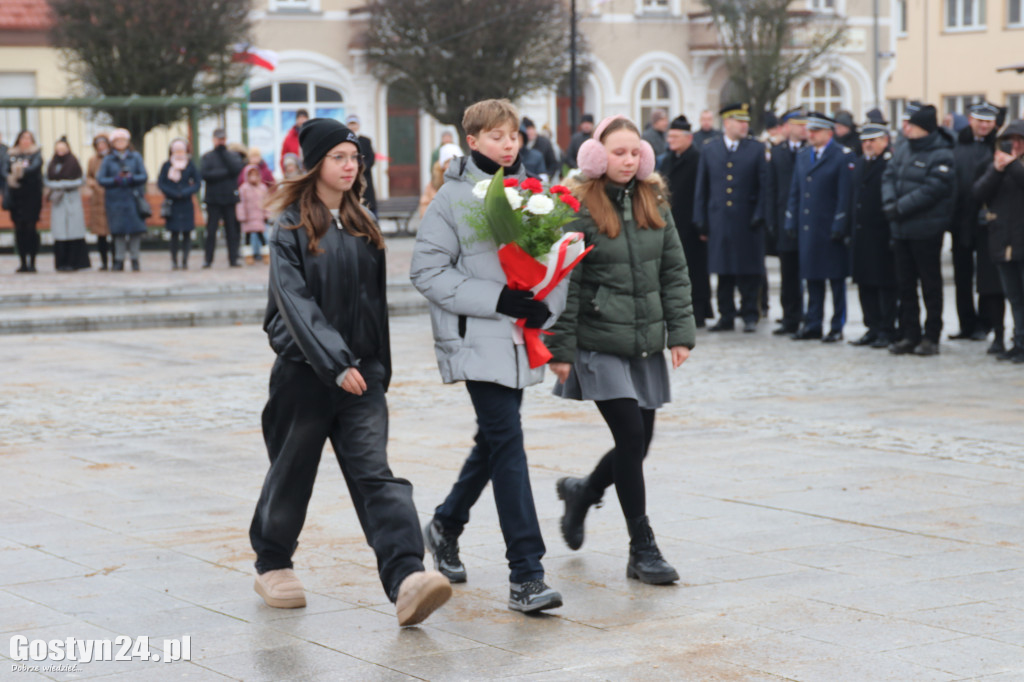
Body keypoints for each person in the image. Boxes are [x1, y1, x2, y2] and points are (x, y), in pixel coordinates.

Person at [251, 118, 452, 626]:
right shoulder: (291, 227)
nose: (349, 165)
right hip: (305, 376)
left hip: (361, 378)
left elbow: (373, 307)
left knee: (375, 474)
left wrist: (375, 368)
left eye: (355, 156)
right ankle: (272, 563)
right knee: (292, 472)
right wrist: (334, 363)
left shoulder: (364, 224)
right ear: (316, 163)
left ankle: (407, 576)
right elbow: (293, 305)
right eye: (338, 156)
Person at [410, 98, 568, 614]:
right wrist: (498, 299)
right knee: (509, 445)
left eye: (514, 136)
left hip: (521, 338)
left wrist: (545, 307)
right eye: (496, 136)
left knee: (496, 442)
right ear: (472, 141)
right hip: (477, 338)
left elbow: (552, 261)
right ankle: (527, 574)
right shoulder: (450, 200)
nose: (508, 144)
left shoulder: (535, 192)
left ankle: (445, 524)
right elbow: (427, 273)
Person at [546, 115, 695, 584]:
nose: (628, 160)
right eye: (618, 152)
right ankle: (642, 548)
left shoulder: (655, 200)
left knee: (640, 444)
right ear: (595, 156)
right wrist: (560, 350)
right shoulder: (579, 206)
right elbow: (566, 283)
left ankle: (583, 491)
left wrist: (681, 332)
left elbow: (673, 270)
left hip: (645, 342)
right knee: (630, 437)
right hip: (599, 342)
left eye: (635, 152)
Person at [882, 104, 956, 357]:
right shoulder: (903, 148)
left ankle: (931, 336)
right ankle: (909, 334)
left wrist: (900, 207)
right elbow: (889, 176)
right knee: (905, 285)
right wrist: (890, 203)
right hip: (901, 229)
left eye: (910, 124)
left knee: (930, 285)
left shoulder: (942, 154)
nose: (905, 128)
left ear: (923, 127)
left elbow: (934, 189)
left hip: (926, 229)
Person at [693, 102, 768, 333]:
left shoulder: (755, 149)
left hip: (747, 220)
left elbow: (764, 186)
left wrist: (760, 215)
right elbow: (702, 188)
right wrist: (701, 219)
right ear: (727, 123)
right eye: (740, 121)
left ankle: (749, 314)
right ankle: (726, 315)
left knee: (748, 270)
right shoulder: (710, 149)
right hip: (719, 220)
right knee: (722, 270)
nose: (745, 125)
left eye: (746, 121)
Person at [784, 112, 854, 343]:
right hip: (808, 227)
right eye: (809, 130)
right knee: (812, 278)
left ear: (828, 133)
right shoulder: (804, 155)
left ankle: (836, 325)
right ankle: (813, 323)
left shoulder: (841, 156)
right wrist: (791, 219)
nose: (810, 134)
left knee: (835, 280)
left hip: (830, 227)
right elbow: (795, 191)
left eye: (815, 131)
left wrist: (840, 223)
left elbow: (845, 195)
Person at [950, 102, 1002, 347]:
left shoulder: (999, 146)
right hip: (961, 219)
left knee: (987, 276)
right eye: (980, 120)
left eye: (988, 121)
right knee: (962, 275)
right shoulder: (957, 145)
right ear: (970, 120)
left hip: (988, 221)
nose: (984, 125)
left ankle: (985, 323)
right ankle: (966, 323)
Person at [974, 119, 1024, 363]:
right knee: (1014, 296)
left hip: (1021, 240)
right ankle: (1019, 342)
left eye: (1019, 140)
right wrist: (997, 169)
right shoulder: (997, 165)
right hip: (1003, 240)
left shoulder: (1016, 167)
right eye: (1009, 140)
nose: (1014, 145)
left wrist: (1013, 165)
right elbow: (979, 193)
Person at [849, 123, 898, 348]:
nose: (868, 144)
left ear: (884, 141)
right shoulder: (859, 164)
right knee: (865, 283)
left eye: (873, 140)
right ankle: (872, 326)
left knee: (885, 284)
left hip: (882, 233)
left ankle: (887, 329)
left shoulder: (890, 164)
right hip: (862, 233)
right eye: (865, 140)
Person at [660, 115, 711, 325]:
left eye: (674, 136)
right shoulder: (667, 159)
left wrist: (702, 222)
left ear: (688, 137)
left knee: (695, 270)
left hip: (692, 224)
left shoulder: (698, 158)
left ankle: (698, 312)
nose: (670, 140)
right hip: (672, 223)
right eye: (668, 136)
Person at [766, 108, 808, 336]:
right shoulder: (778, 151)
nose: (803, 129)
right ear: (787, 127)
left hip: (807, 221)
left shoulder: (810, 151)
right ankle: (790, 317)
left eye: (805, 125)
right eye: (798, 124)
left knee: (809, 272)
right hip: (783, 220)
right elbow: (771, 188)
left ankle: (810, 317)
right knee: (788, 273)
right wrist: (771, 220)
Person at [97, 128, 147, 272]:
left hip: (133, 198)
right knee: (118, 231)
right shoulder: (108, 159)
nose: (120, 143)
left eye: (123, 140)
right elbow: (101, 179)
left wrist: (131, 178)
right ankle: (118, 260)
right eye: (117, 140)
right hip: (115, 199)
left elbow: (143, 176)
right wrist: (116, 180)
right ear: (113, 143)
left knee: (135, 231)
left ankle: (135, 259)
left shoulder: (135, 157)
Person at [201, 128, 245, 268]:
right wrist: (225, 173)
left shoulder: (231, 155)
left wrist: (224, 153)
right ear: (213, 140)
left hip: (229, 199)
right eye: (218, 139)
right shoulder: (207, 157)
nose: (221, 142)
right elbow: (205, 174)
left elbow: (237, 169)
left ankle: (233, 259)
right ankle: (208, 260)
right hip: (213, 199)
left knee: (232, 231)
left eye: (223, 139)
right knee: (211, 231)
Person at [45, 137, 90, 271]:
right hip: (58, 200)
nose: (61, 151)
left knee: (74, 231)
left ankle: (75, 262)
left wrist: (62, 184)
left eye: (63, 148)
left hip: (72, 198)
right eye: (58, 149)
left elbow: (81, 180)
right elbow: (46, 180)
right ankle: (62, 263)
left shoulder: (74, 161)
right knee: (60, 232)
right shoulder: (51, 163)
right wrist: (58, 185)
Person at [157, 138, 201, 270]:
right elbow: (161, 183)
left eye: (181, 150)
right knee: (174, 234)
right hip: (173, 203)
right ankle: (174, 261)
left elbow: (197, 183)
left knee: (187, 233)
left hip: (186, 202)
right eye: (176, 150)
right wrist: (173, 193)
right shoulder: (166, 165)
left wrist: (185, 192)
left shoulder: (190, 165)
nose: (179, 152)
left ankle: (185, 261)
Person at [4, 130, 43, 273]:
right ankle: (22, 263)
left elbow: (34, 168)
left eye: (29, 138)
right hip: (16, 196)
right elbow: (4, 170)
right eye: (23, 138)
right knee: (19, 229)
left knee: (31, 229)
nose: (25, 140)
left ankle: (32, 262)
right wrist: (13, 175)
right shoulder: (11, 154)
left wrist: (20, 172)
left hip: (31, 196)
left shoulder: (36, 154)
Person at [86, 135, 111, 270]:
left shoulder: (112, 158)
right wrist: (93, 184)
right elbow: (89, 176)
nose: (101, 147)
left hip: (111, 197)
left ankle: (116, 260)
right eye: (98, 144)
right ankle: (104, 262)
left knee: (114, 232)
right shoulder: (93, 160)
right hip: (98, 199)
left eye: (103, 144)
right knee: (101, 235)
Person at [237, 164, 270, 265]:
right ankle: (248, 256)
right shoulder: (243, 188)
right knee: (247, 238)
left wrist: (267, 214)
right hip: (248, 217)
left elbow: (266, 202)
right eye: (251, 175)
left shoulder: (262, 188)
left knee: (262, 237)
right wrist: (242, 215)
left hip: (259, 217)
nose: (253, 178)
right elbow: (241, 203)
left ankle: (266, 255)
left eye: (256, 175)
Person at [419, 142, 462, 218]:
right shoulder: (432, 186)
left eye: (455, 160)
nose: (452, 164)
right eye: (448, 161)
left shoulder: (466, 182)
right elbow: (424, 211)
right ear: (443, 165)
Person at [345, 114, 377, 215]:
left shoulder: (365, 141)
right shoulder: (345, 141)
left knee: (369, 206)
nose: (353, 127)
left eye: (354, 124)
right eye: (350, 124)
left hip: (365, 178)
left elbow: (371, 159)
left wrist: (361, 167)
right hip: (350, 178)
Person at [279, 108, 308, 173]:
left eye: (304, 118)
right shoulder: (289, 137)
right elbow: (283, 157)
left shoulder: (312, 136)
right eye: (300, 118)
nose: (302, 120)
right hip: (294, 173)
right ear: (296, 120)